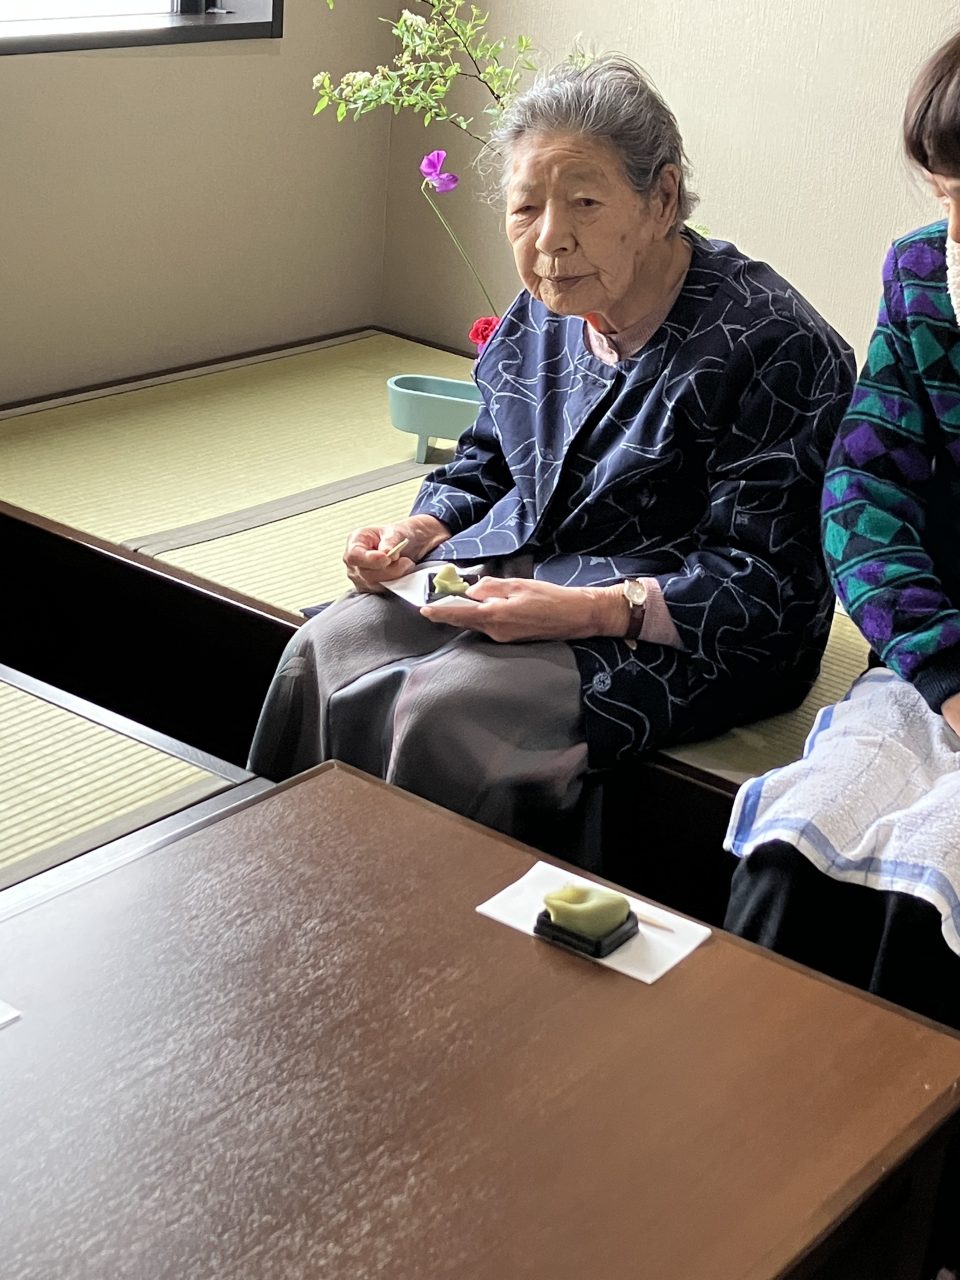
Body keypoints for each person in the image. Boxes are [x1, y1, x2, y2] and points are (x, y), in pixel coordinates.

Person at [249, 55, 854, 865]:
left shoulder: (777, 346)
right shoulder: (544, 310)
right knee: (323, 648)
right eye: (526, 207)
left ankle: (424, 929)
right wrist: (418, 531)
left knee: (445, 711)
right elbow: (487, 463)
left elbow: (766, 587)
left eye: (585, 204)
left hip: (687, 627)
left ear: (662, 199)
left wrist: (585, 611)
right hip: (530, 569)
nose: (549, 240)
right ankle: (288, 885)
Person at [724, 29, 960, 1037]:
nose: (957, 225)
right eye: (946, 193)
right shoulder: (923, 275)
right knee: (789, 855)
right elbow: (863, 491)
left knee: (929, 908)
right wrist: (945, 669)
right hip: (933, 659)